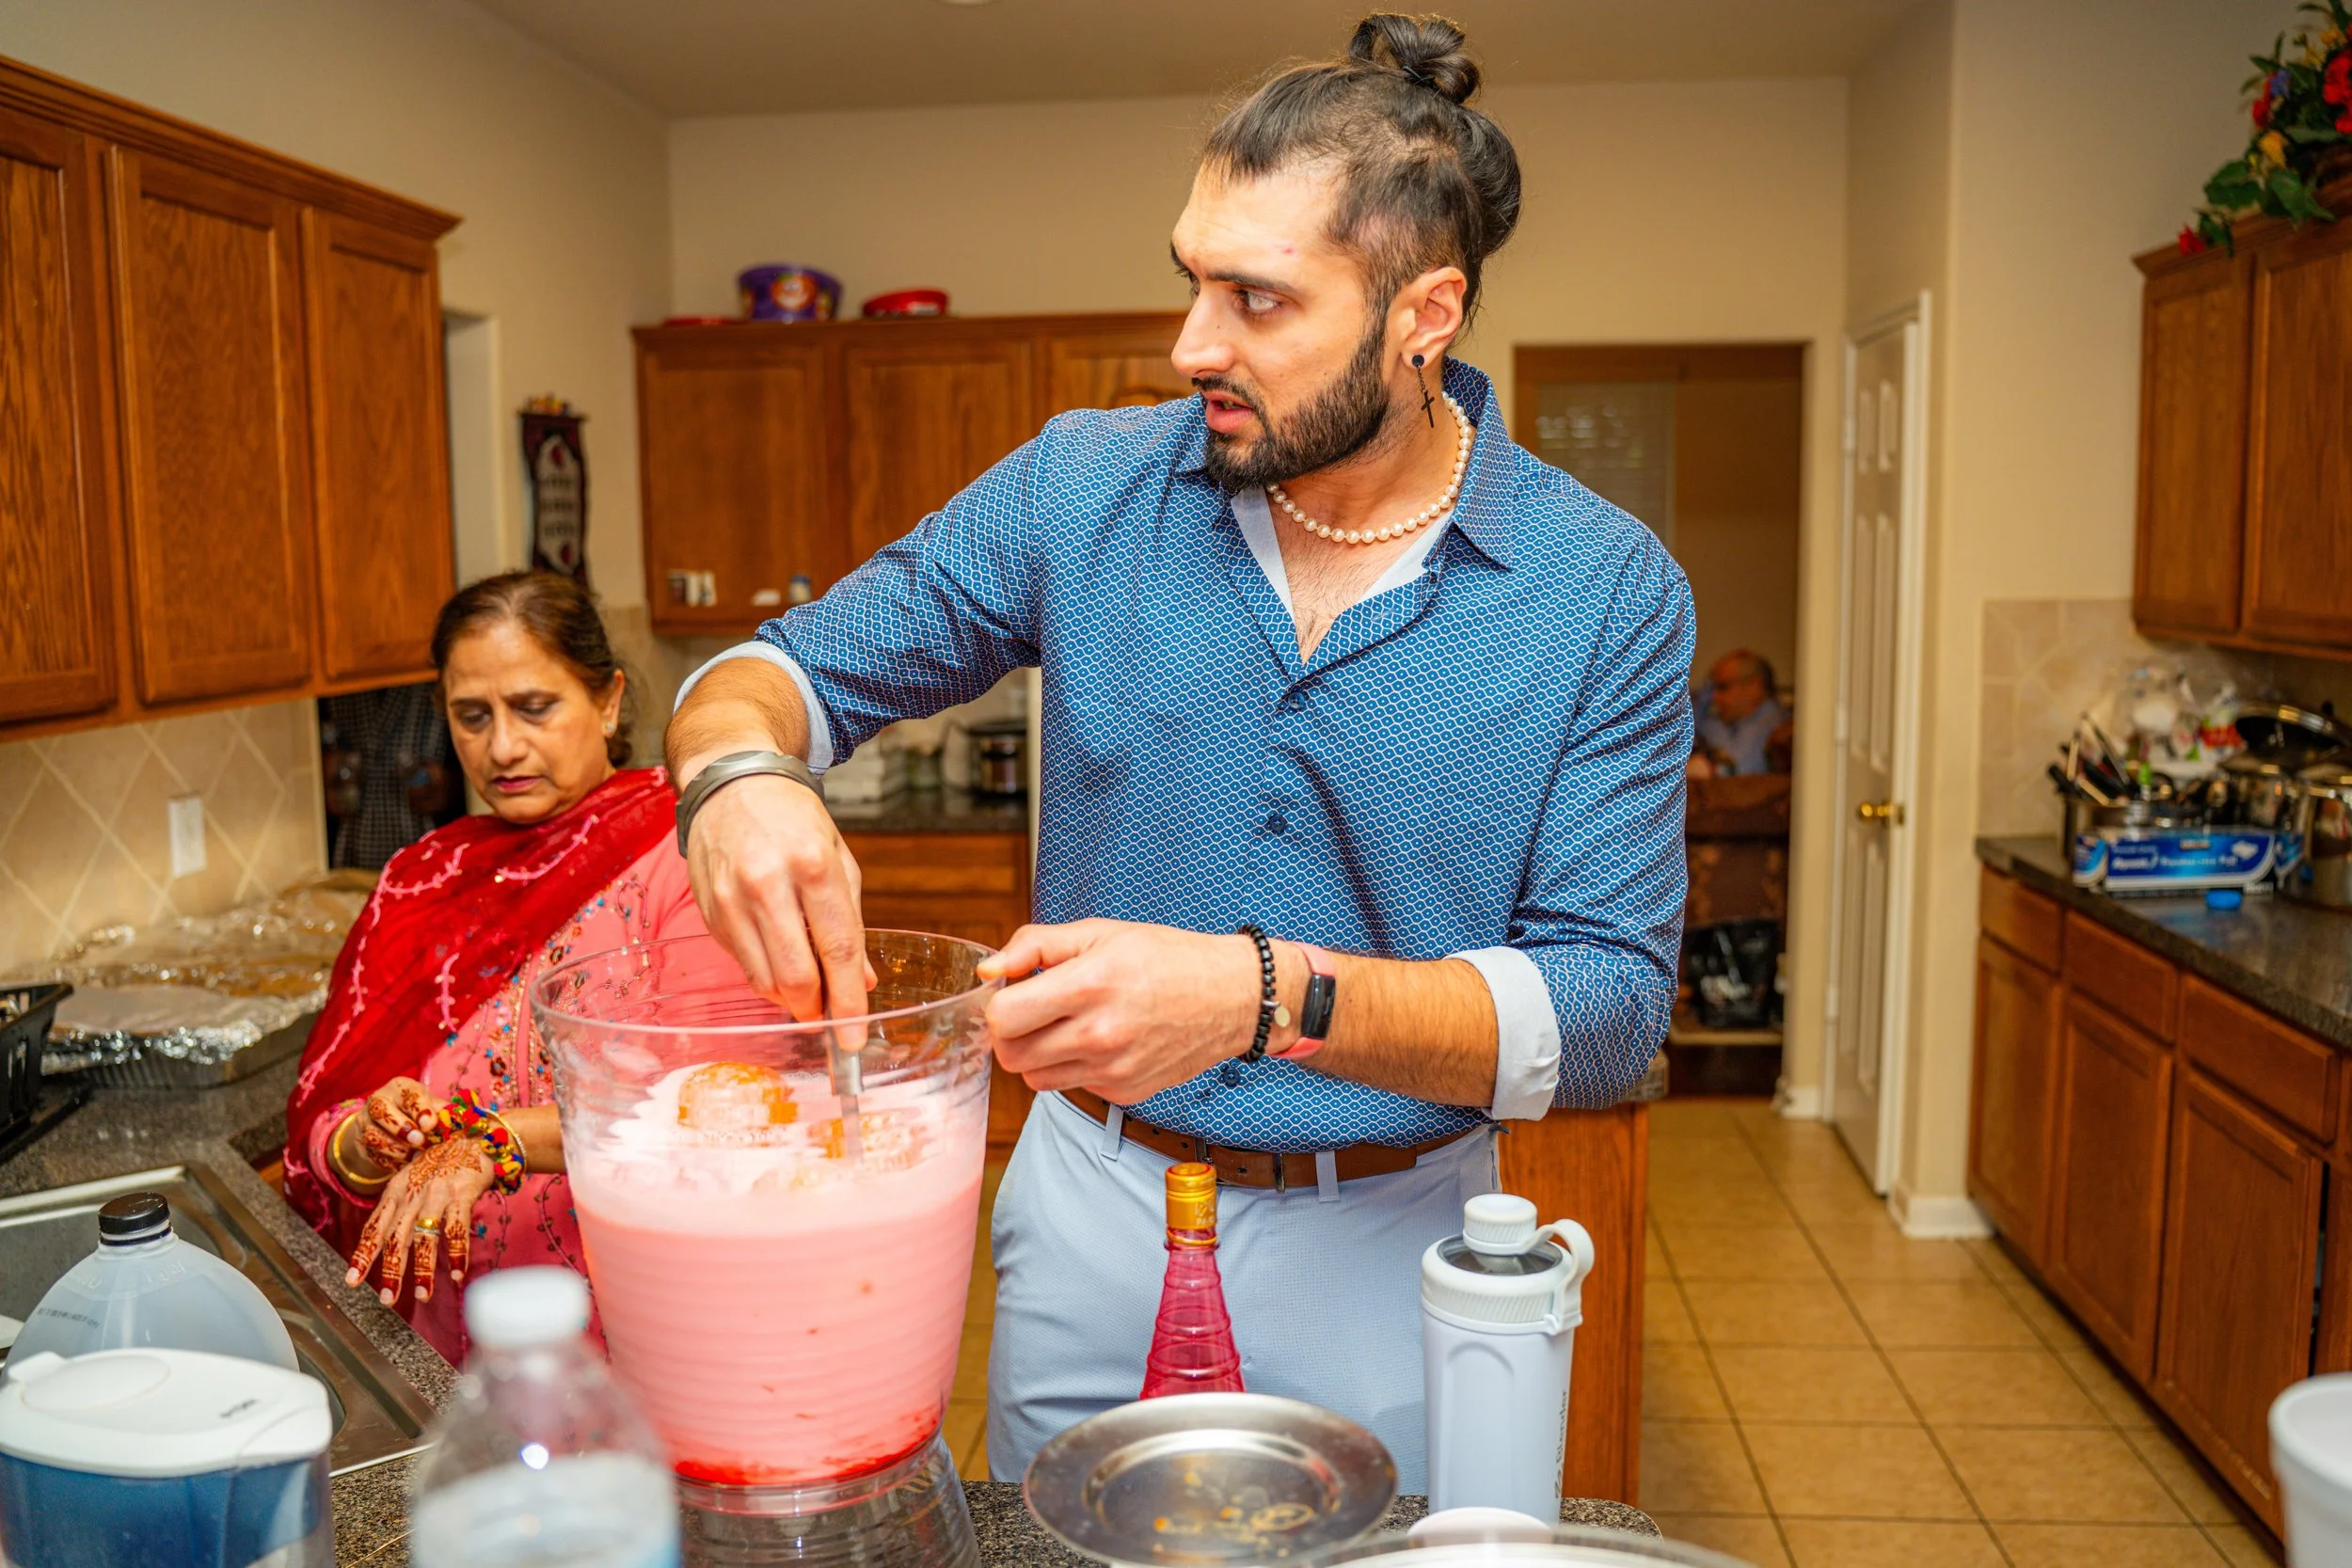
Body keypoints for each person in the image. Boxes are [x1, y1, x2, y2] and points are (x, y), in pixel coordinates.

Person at [665, 14, 1690, 1487]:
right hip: (1091, 1206)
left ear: (1425, 313)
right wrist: (739, 779)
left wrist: (1258, 993)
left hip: (1390, 1240)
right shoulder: (1083, 486)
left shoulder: (1606, 587)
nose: (1192, 343)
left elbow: (1606, 1011)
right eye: (1193, 280)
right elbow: (773, 674)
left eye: (1258, 299)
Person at [285, 572, 704, 1363]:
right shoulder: (422, 880)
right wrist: (369, 1139)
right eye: (471, 716)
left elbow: (709, 1105)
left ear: (608, 701)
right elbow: (322, 1128)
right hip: (443, 1339)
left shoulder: (686, 850)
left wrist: (494, 1138)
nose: (502, 746)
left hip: (626, 1332)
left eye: (534, 707)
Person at [1692, 649, 1792, 778]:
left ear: (1753, 687)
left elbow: (1734, 769)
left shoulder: (1771, 725)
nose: (1715, 697)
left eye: (1723, 687)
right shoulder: (1726, 722)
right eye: (1712, 689)